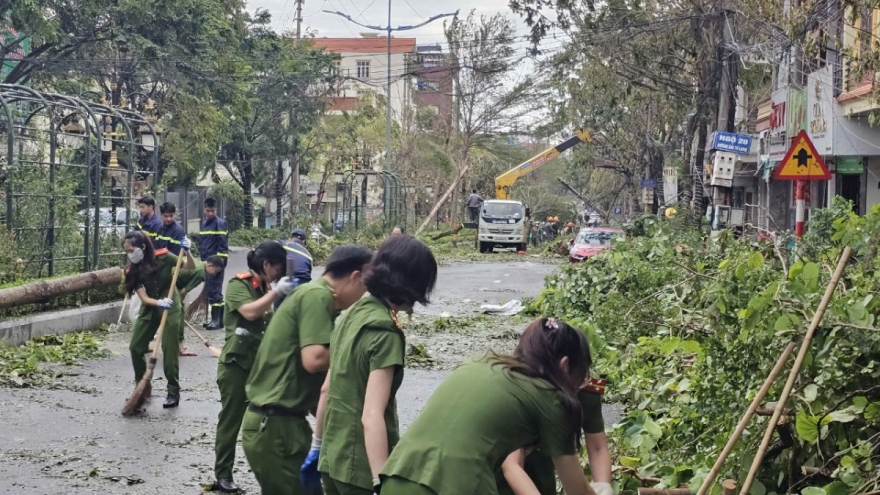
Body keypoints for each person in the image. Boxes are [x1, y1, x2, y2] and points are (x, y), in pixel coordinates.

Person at [378, 318, 595, 495]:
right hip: (456, 487)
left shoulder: (478, 362)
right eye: (579, 380)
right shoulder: (550, 398)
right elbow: (578, 490)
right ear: (564, 365)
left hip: (397, 478)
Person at [242, 245, 374, 494]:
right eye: (365, 288)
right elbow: (314, 359)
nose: (362, 296)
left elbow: (316, 379)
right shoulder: (318, 296)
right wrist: (362, 352)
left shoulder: (314, 295)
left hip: (281, 425)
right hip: (276, 427)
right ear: (355, 277)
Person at [315, 235, 438, 495]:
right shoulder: (385, 332)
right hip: (359, 470)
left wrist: (317, 445)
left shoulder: (352, 314)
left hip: (331, 460)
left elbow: (326, 389)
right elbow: (371, 416)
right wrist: (380, 482)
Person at [212, 241, 297, 493]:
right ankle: (223, 474)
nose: (279, 273)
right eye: (278, 267)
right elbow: (249, 313)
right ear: (266, 265)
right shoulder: (239, 284)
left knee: (268, 419)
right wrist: (276, 293)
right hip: (236, 366)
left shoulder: (263, 287)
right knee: (231, 421)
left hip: (259, 367)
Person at [496, 379, 613, 495]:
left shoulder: (584, 388)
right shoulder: (522, 390)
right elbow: (512, 465)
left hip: (543, 463)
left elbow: (597, 447)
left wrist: (603, 488)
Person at [122, 230, 195, 409]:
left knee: (169, 349)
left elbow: (189, 267)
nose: (130, 255)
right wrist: (158, 302)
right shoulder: (132, 270)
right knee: (135, 347)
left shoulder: (163, 257)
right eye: (127, 252)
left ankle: (173, 391)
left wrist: (188, 252)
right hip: (151, 306)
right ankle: (142, 387)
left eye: (132, 250)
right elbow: (144, 298)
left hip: (170, 306)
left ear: (142, 247)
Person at [173, 255, 224, 356]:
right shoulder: (201, 273)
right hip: (170, 284)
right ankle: (180, 347)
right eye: (215, 271)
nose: (214, 274)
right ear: (209, 265)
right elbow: (184, 291)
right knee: (179, 314)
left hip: (163, 280)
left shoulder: (197, 262)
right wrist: (179, 304)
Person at [199, 198, 229, 330]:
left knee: (215, 292)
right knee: (213, 291)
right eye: (208, 210)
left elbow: (223, 246)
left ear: (216, 210)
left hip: (215, 265)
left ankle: (216, 321)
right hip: (207, 263)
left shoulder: (219, 224)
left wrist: (219, 265)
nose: (210, 213)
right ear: (204, 210)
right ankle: (218, 320)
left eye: (212, 210)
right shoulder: (204, 224)